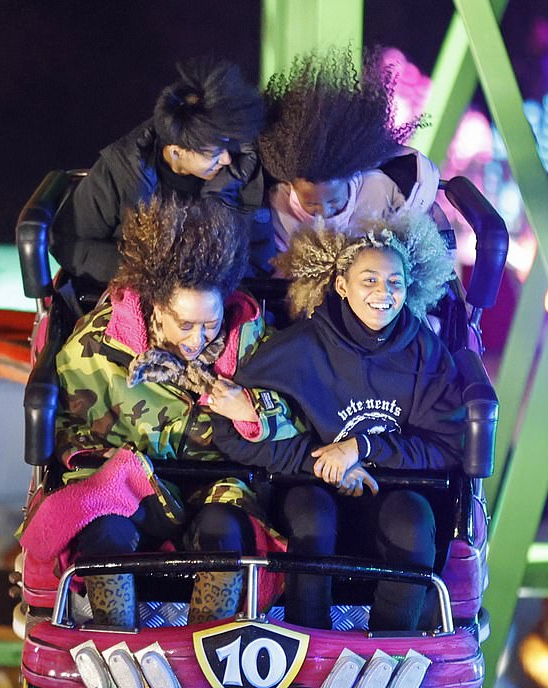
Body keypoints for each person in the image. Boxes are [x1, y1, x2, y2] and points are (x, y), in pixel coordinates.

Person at [20, 196, 291, 627]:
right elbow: (67, 431)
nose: (197, 341)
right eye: (184, 324)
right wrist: (101, 462)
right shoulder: (95, 347)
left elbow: (297, 418)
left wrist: (250, 408)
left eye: (210, 324)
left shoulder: (255, 342)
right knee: (103, 532)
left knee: (225, 533)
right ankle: (114, 638)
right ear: (156, 306)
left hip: (218, 484)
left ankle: (206, 649)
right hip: (130, 488)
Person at [210, 212, 464, 631]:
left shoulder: (423, 349)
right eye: (369, 280)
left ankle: (389, 651)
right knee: (314, 516)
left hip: (391, 490)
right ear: (342, 286)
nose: (383, 293)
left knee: (414, 523)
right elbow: (230, 430)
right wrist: (321, 464)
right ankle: (307, 646)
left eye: (394, 283)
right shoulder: (302, 346)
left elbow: (449, 444)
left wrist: (361, 448)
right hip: (310, 491)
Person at [50, 58, 271, 285]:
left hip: (219, 301)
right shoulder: (120, 173)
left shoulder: (241, 168)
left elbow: (259, 252)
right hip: (134, 293)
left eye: (228, 146)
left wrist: (218, 284)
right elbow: (69, 242)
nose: (226, 159)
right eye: (213, 154)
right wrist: (143, 275)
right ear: (176, 152)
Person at [258, 48, 449, 259]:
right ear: (290, 184)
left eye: (334, 202)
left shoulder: (382, 192)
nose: (323, 213)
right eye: (311, 204)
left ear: (353, 175)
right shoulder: (278, 207)